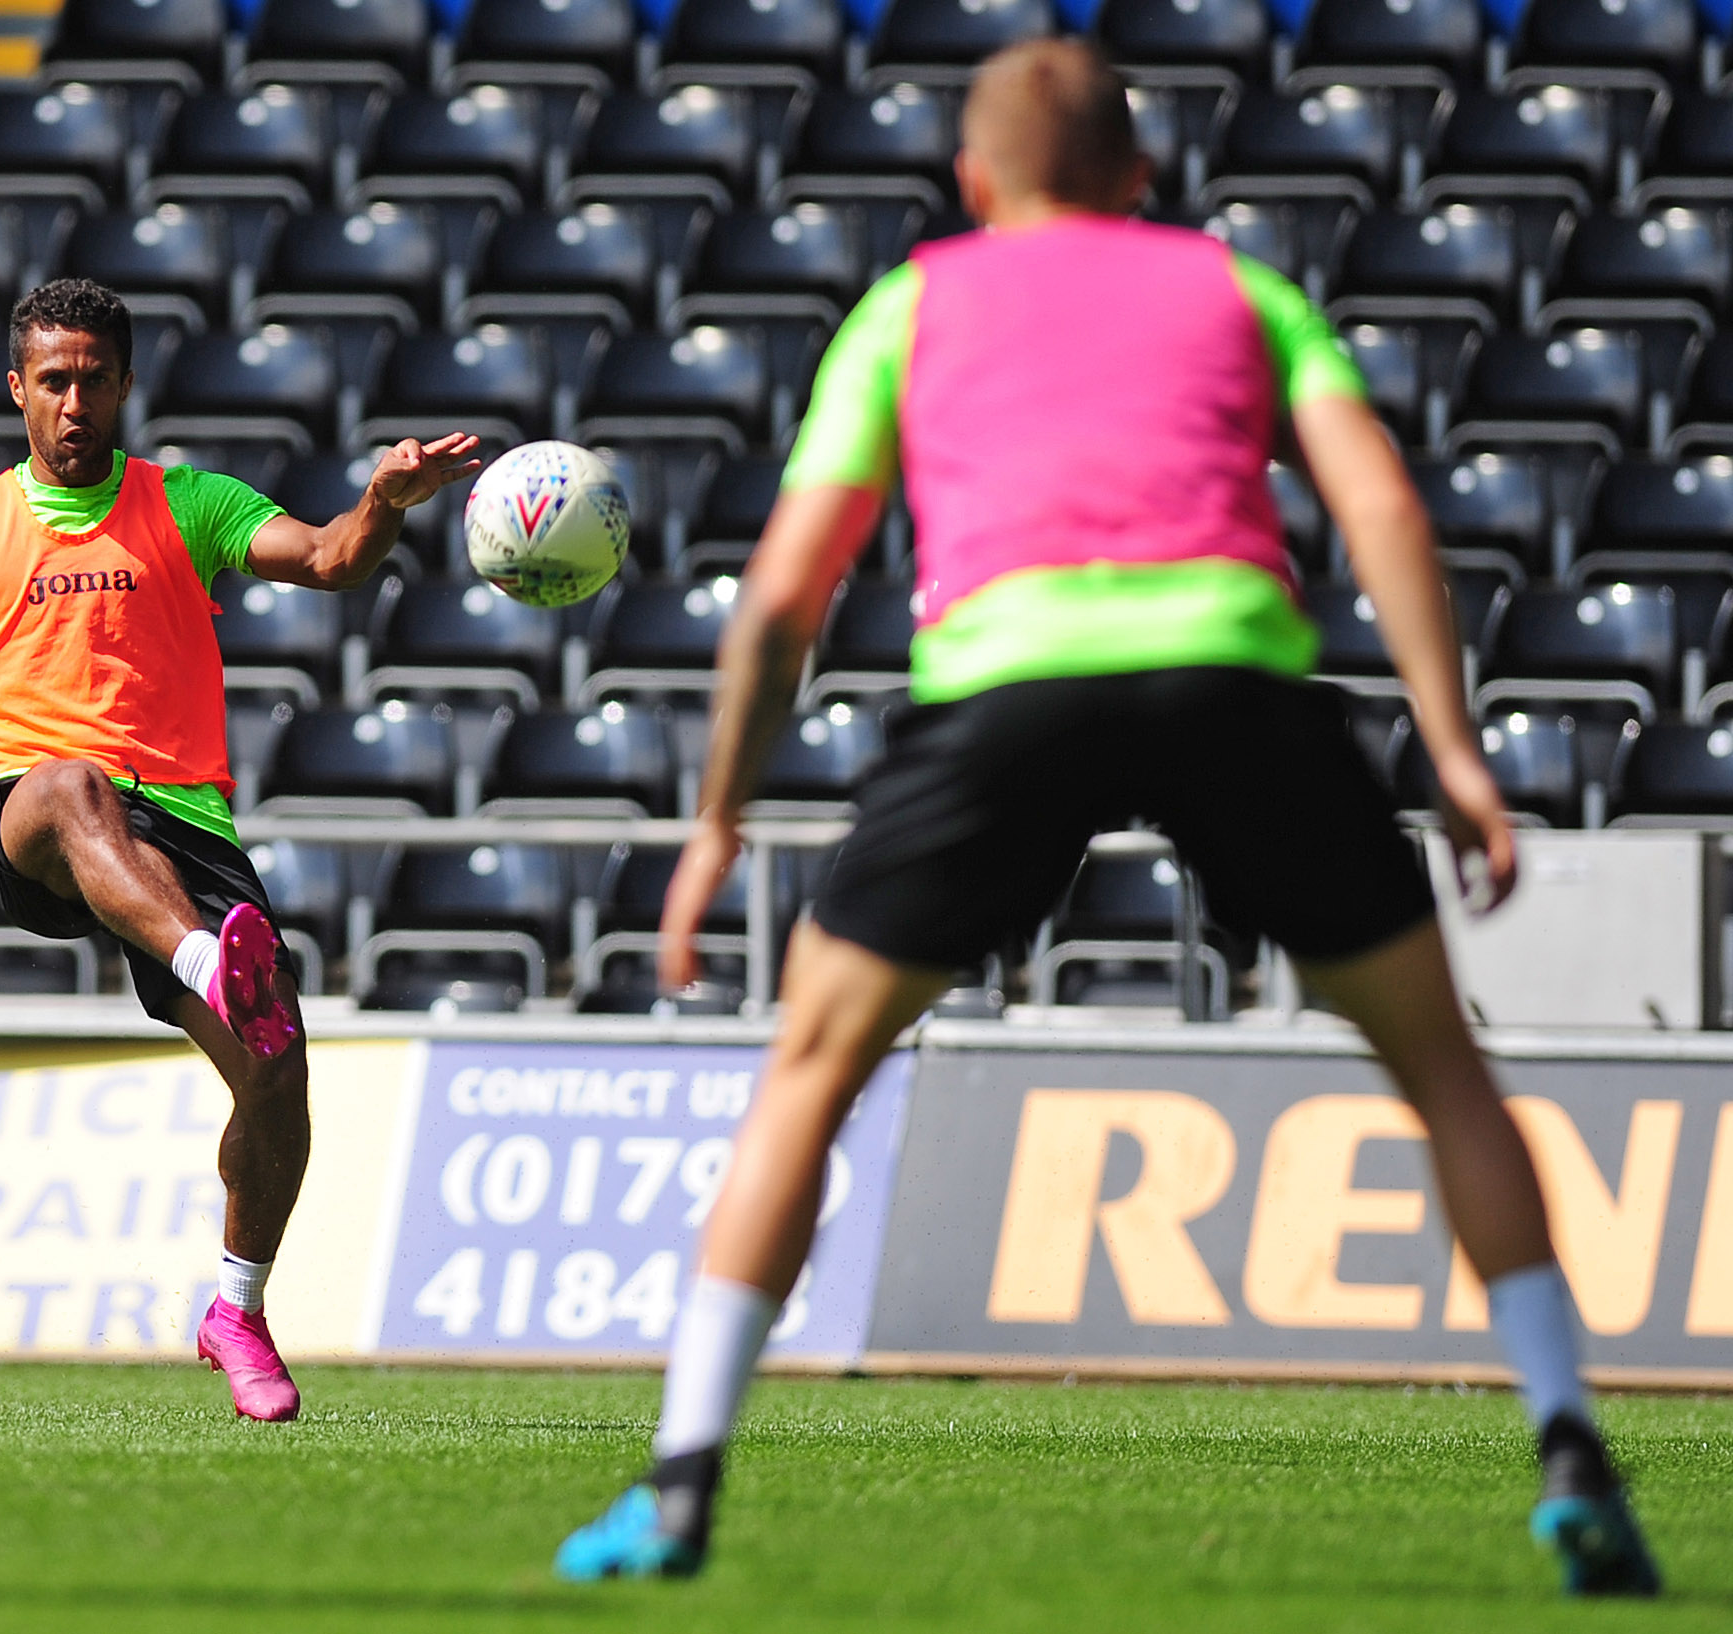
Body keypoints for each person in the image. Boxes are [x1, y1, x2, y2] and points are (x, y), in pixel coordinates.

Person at [549, 39, 1660, 1597]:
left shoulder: (911, 302)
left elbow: (787, 592)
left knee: (808, 1069)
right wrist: (1455, 750)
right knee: (1440, 1070)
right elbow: (1384, 505)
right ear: (1143, 180)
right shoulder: (1235, 285)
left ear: (973, 180)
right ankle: (1569, 1448)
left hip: (1006, 684)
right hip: (1235, 672)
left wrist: (721, 815)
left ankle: (677, 1484)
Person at [0, 277, 480, 1421]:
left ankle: (236, 1308)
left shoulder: (189, 503)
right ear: (17, 388)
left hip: (182, 830)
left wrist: (385, 498)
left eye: (94, 377)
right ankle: (210, 964)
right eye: (52, 378)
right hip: (28, 814)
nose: (73, 400)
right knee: (69, 784)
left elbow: (334, 558)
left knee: (279, 1071)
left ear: (126, 384)